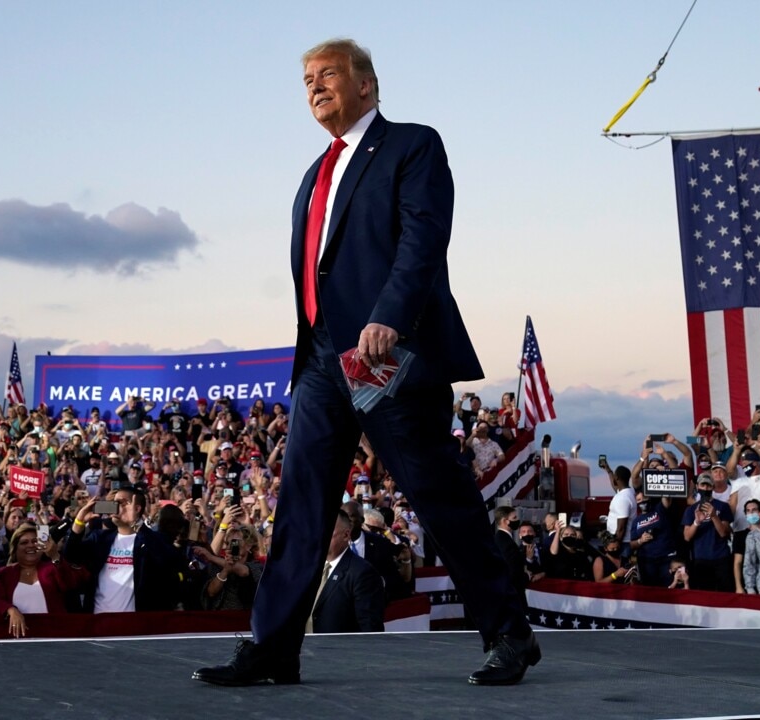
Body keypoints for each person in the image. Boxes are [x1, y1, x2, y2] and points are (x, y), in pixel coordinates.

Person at [194, 38, 535, 689]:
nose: (314, 86)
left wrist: (390, 315)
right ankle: (274, 647)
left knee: (437, 495)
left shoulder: (412, 145)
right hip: (325, 361)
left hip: (386, 354)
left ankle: (510, 633)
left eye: (328, 75)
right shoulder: (314, 174)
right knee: (301, 503)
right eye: (306, 79)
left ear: (368, 87)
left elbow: (424, 236)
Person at [65, 487, 183, 613]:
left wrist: (136, 524)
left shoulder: (153, 539)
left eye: (121, 503)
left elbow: (168, 561)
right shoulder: (100, 538)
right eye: (114, 503)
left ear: (137, 508)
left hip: (135, 625)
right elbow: (71, 556)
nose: (116, 507)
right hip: (99, 623)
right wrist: (79, 522)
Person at [0, 523, 87, 638]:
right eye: (24, 542)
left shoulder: (53, 568)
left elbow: (70, 583)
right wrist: (10, 610)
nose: (31, 545)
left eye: (35, 541)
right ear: (15, 548)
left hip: (54, 636)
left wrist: (55, 556)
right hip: (18, 638)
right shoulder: (3, 573)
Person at [307, 510, 386, 634]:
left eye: (328, 531)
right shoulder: (307, 568)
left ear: (346, 535)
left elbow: (370, 630)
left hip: (338, 651)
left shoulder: (363, 573)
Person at [682, 473, 735, 592]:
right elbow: (687, 537)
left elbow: (723, 533)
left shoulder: (723, 506)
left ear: (713, 487)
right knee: (704, 596)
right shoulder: (691, 510)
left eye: (708, 486)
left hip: (721, 557)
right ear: (697, 486)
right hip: (700, 558)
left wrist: (714, 516)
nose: (705, 488)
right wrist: (696, 522)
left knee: (725, 594)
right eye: (703, 485)